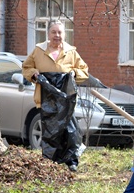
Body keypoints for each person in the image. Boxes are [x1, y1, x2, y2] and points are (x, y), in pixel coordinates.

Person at [22, 20, 89, 172]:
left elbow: (84, 70)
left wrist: (73, 74)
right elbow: (26, 67)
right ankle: (49, 160)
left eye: (60, 32)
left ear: (64, 34)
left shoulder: (71, 52)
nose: (57, 36)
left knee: (69, 130)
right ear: (48, 34)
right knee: (49, 130)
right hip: (47, 99)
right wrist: (34, 74)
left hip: (66, 100)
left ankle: (72, 161)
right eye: (54, 32)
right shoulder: (39, 50)